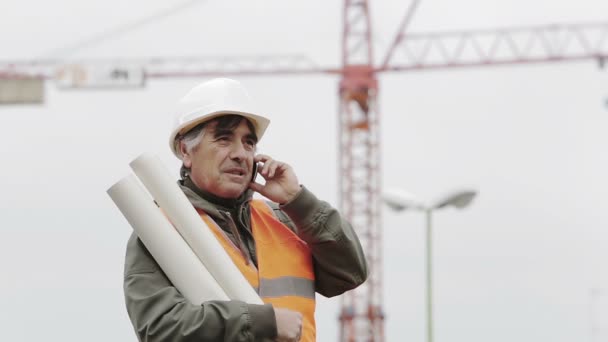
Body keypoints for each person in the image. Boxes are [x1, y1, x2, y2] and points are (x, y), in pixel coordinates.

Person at [123, 78, 368, 342]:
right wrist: (262, 322)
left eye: (249, 143)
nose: (241, 154)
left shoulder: (283, 219)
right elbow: (159, 329)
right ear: (186, 151)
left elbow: (350, 273)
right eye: (224, 139)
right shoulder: (160, 230)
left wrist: (298, 201)